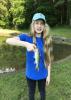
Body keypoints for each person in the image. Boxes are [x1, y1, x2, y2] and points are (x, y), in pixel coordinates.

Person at [6, 13, 53, 100]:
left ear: (44, 26)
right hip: (30, 74)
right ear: (33, 24)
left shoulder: (47, 40)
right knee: (31, 92)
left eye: (41, 23)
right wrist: (26, 44)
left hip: (43, 74)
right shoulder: (27, 37)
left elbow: (48, 60)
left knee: (42, 92)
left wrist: (49, 75)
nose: (39, 26)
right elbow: (8, 40)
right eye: (37, 23)